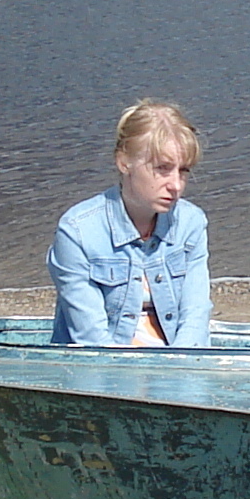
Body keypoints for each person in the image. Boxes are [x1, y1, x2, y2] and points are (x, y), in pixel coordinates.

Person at [49, 100, 210, 347]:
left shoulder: (191, 223)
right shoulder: (78, 232)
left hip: (177, 362)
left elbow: (195, 314)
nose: (176, 185)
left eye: (183, 171)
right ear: (124, 162)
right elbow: (91, 337)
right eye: (162, 169)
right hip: (103, 370)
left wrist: (178, 370)